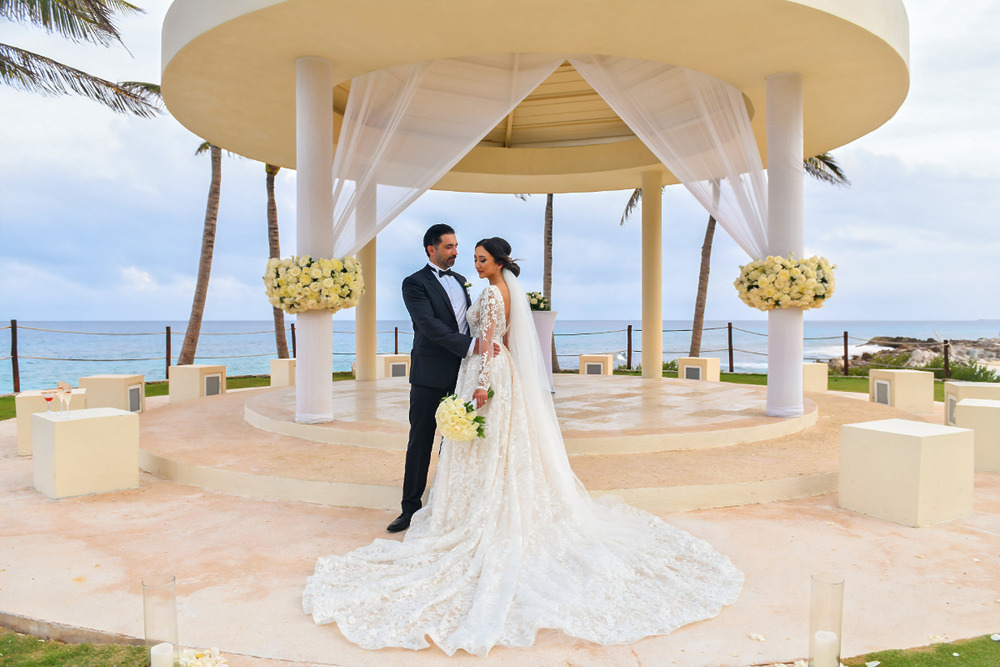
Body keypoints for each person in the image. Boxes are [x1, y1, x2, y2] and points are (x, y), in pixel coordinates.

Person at [303, 237, 744, 657]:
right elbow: (473, 334)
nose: (471, 262)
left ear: (496, 262)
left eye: (478, 257)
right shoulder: (459, 286)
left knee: (483, 441)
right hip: (482, 368)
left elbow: (491, 339)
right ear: (434, 249)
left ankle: (477, 508)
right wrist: (491, 368)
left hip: (483, 370)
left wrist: (479, 384)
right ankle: (418, 503)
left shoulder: (491, 294)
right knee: (469, 443)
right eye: (463, 253)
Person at [386, 223, 473, 533]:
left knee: (456, 442)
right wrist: (471, 346)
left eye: (456, 246)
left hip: (463, 374)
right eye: (449, 247)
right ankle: (409, 509)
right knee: (420, 441)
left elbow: (469, 322)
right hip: (428, 374)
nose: (455, 252)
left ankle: (448, 503)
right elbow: (428, 325)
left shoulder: (462, 281)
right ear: (431, 249)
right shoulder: (414, 283)